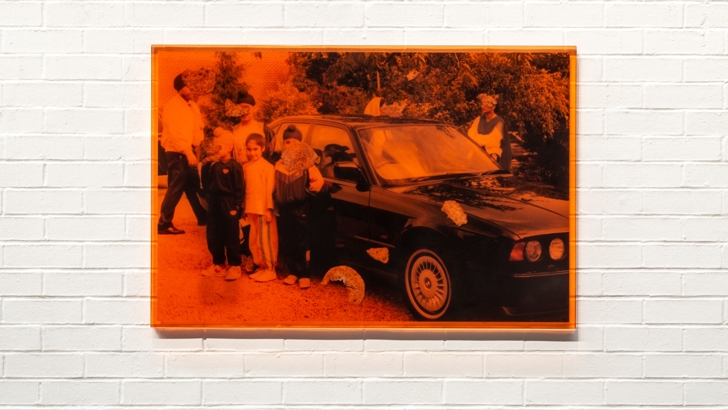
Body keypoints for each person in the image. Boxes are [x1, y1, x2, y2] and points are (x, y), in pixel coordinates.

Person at [274, 126, 325, 289]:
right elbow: (273, 186)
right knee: (287, 240)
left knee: (301, 241)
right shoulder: (278, 164)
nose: (291, 145)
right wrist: (276, 200)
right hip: (284, 209)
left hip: (301, 208)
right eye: (288, 142)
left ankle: (304, 274)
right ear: (283, 144)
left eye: (295, 142)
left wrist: (305, 195)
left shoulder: (306, 163)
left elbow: (318, 181)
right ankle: (292, 271)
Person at [157, 74, 208, 235]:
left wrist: (196, 143)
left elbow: (196, 130)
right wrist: (187, 152)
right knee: (176, 187)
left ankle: (203, 217)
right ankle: (164, 224)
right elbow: (176, 134)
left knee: (192, 184)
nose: (193, 89)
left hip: (189, 150)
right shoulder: (173, 106)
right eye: (189, 85)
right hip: (177, 152)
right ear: (180, 89)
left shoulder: (191, 105)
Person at [200, 132, 244, 281]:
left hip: (229, 203)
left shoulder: (234, 166)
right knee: (213, 234)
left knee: (231, 235)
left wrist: (237, 206)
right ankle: (218, 264)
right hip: (215, 203)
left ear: (229, 147)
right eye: (215, 146)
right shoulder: (213, 165)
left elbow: (239, 188)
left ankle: (235, 265)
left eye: (219, 146)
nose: (216, 149)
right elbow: (207, 184)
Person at [242, 133, 278, 282]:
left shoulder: (268, 167)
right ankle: (260, 265)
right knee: (254, 239)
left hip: (264, 209)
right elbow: (245, 189)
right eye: (249, 149)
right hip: (251, 208)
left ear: (263, 148)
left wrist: (269, 209)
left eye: (255, 149)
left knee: (266, 240)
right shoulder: (246, 166)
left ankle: (270, 268)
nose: (252, 153)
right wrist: (244, 208)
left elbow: (270, 189)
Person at [467, 93, 511, 172]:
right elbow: (470, 135)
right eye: (482, 104)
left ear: (493, 107)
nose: (482, 106)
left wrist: (477, 137)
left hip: (493, 158)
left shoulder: (499, 122)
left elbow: (491, 141)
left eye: (486, 104)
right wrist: (480, 139)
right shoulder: (479, 119)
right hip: (478, 155)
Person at [229, 91, 276, 163]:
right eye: (240, 109)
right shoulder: (233, 131)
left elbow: (275, 155)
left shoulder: (265, 131)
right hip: (240, 172)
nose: (243, 112)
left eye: (246, 108)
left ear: (254, 108)